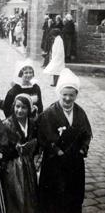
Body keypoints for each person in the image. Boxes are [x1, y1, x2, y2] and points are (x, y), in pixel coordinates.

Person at [37, 68, 92, 213]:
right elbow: (44, 136)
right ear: (59, 94)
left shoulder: (80, 112)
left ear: (76, 95)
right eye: (64, 95)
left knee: (72, 195)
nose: (68, 99)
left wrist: (82, 149)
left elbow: (87, 134)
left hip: (74, 161)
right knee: (54, 196)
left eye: (71, 95)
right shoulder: (50, 113)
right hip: (55, 162)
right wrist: (57, 150)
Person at [2, 93, 39, 213]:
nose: (20, 110)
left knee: (29, 191)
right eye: (17, 106)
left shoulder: (32, 124)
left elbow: (38, 144)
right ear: (13, 107)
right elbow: (2, 147)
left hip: (28, 164)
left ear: (29, 109)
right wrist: (15, 149)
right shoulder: (6, 124)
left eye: (24, 107)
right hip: (13, 166)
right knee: (16, 193)